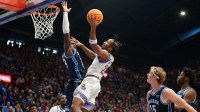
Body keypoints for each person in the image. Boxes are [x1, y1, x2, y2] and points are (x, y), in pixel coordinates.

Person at [71, 14, 122, 112]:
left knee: (75, 106)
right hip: (95, 84)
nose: (104, 42)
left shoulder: (106, 54)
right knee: (81, 109)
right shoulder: (105, 56)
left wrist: (93, 26)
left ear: (110, 48)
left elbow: (93, 44)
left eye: (107, 42)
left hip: (90, 82)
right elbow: (92, 55)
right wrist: (81, 45)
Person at [61, 1, 97, 110]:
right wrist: (65, 13)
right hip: (76, 83)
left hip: (81, 83)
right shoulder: (69, 52)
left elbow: (95, 56)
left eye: (72, 41)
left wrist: (80, 45)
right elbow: (66, 32)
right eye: (69, 42)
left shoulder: (75, 50)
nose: (71, 41)